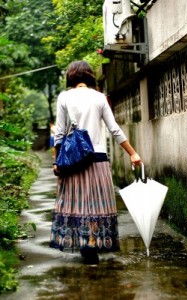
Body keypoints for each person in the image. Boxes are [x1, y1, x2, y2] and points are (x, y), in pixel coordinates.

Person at [50, 60, 142, 264]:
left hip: (74, 160)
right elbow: (114, 128)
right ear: (90, 75)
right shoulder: (100, 97)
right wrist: (133, 153)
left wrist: (58, 161)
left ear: (72, 76)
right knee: (95, 203)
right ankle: (91, 240)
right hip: (98, 159)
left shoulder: (64, 97)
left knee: (77, 201)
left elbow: (59, 133)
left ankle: (83, 239)